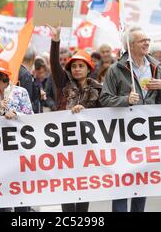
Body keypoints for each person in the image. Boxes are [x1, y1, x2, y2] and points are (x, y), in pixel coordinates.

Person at [100, 26, 161, 212]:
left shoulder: (155, 66)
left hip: (147, 133)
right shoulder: (116, 69)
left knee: (141, 181)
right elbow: (104, 99)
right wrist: (125, 100)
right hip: (123, 135)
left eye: (148, 40)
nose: (147, 43)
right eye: (142, 41)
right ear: (130, 45)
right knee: (122, 179)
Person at [50, 25, 102, 212]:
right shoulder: (62, 84)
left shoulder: (99, 89)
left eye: (81, 66)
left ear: (88, 69)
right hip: (65, 143)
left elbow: (104, 115)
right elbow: (55, 65)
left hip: (88, 145)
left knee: (84, 184)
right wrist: (55, 41)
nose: (77, 69)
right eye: (74, 66)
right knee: (67, 184)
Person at [0, 56, 33, 213]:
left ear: (1, 75)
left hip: (18, 150)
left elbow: (31, 115)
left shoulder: (20, 92)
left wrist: (16, 113)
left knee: (21, 196)